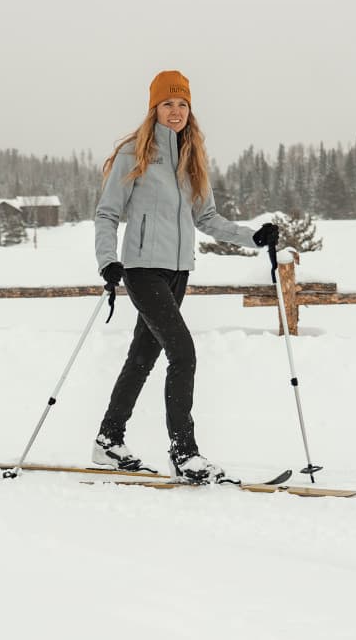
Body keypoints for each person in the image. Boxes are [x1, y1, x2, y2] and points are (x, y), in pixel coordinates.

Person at [92, 70, 280, 483]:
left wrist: (254, 237)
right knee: (183, 353)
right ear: (154, 108)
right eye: (167, 104)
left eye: (182, 104)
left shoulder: (192, 157)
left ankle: (109, 438)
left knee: (143, 356)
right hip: (141, 269)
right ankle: (185, 452)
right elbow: (107, 214)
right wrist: (108, 260)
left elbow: (207, 218)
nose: (175, 111)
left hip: (179, 271)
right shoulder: (134, 154)